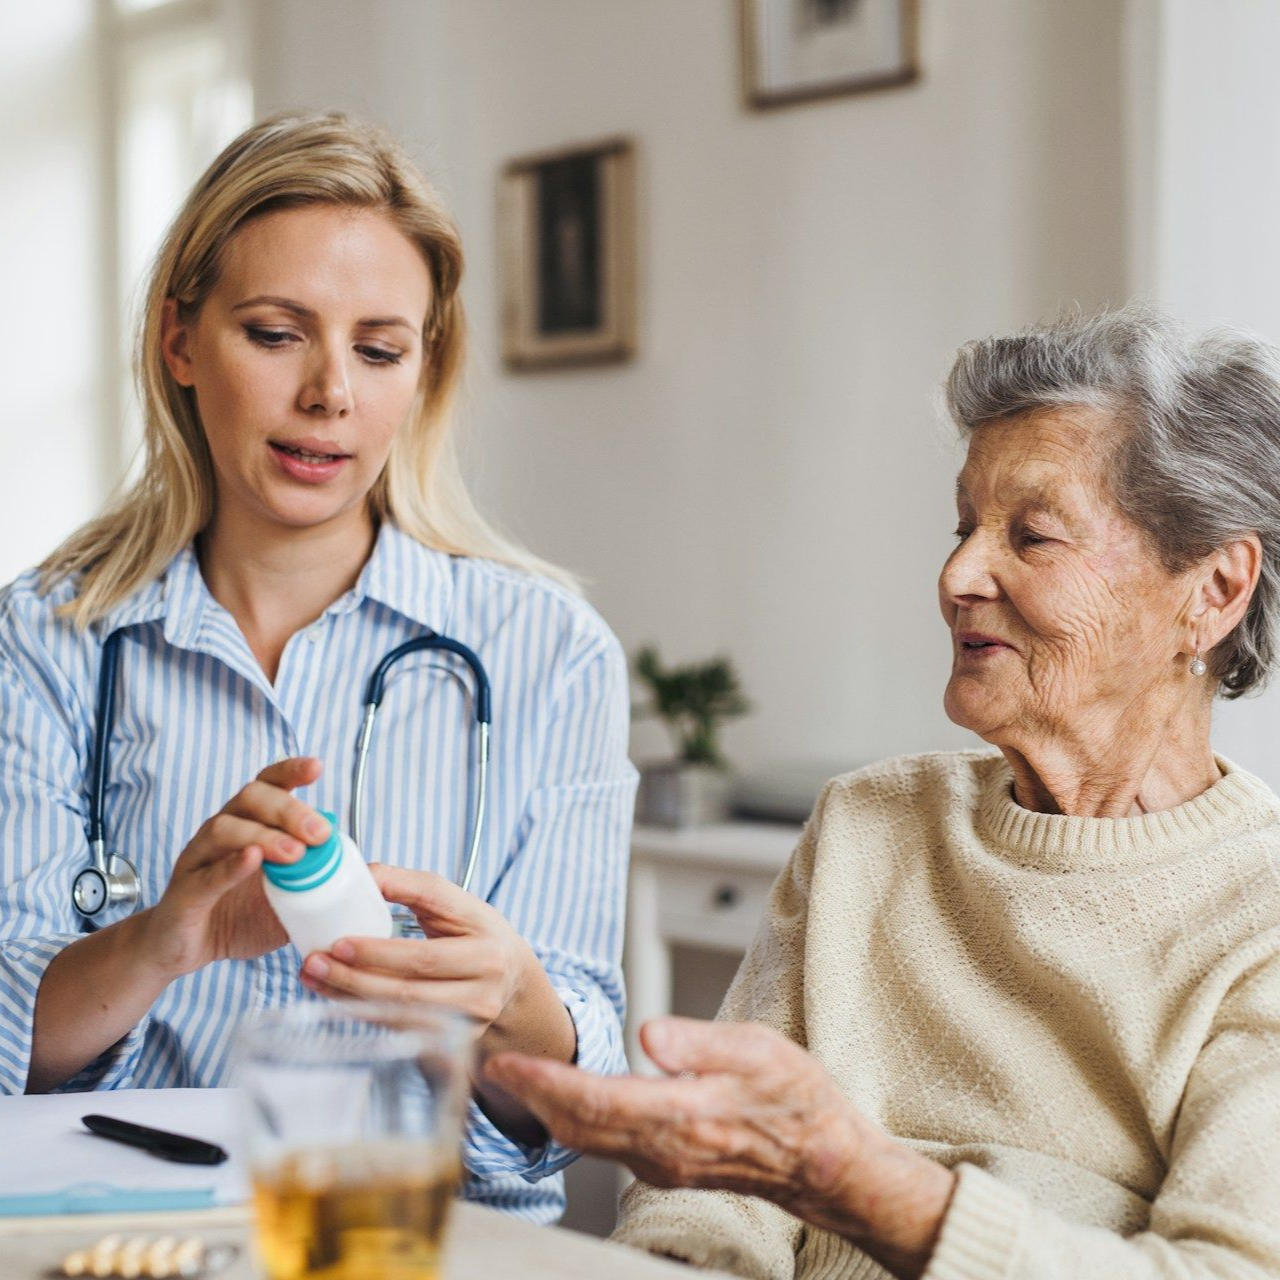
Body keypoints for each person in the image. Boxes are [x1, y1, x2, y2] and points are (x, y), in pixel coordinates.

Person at [488, 307, 1280, 1275]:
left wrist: (859, 1183)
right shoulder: (867, 825)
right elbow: (707, 1189)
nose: (955, 574)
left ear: (1212, 587)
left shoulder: (1258, 912)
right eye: (960, 526)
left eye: (1029, 535)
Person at [0, 112, 636, 1224]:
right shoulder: (50, 637)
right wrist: (160, 941)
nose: (330, 392)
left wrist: (510, 997)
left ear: (421, 368)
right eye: (276, 332)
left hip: (421, 1231)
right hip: (120, 1227)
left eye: (379, 348)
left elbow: (575, 1086)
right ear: (181, 341)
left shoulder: (547, 650)